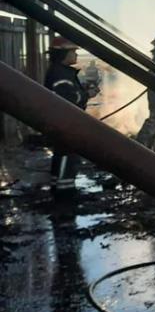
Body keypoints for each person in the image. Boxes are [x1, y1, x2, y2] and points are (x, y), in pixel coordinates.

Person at [44, 37, 98, 195]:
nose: (76, 55)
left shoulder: (60, 71)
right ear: (63, 54)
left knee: (62, 154)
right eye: (73, 51)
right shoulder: (60, 74)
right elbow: (68, 100)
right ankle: (64, 192)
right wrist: (88, 94)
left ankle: (60, 187)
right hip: (64, 123)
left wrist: (83, 90)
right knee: (66, 155)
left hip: (63, 122)